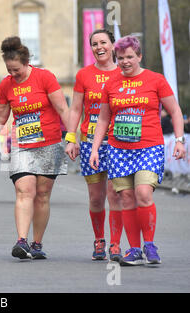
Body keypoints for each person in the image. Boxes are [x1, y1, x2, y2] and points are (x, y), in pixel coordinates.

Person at [89, 35, 186, 266]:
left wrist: (180, 140)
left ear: (139, 56)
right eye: (120, 58)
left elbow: (175, 111)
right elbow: (103, 119)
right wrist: (95, 149)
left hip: (149, 146)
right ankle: (133, 249)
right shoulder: (111, 84)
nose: (125, 62)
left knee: (143, 193)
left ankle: (149, 244)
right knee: (126, 198)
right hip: (118, 149)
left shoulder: (156, 80)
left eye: (130, 57)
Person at [0, 36, 70, 259]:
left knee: (42, 195)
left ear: (26, 62)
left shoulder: (45, 77)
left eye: (16, 70)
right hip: (22, 145)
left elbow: (63, 110)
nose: (13, 74)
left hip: (50, 144)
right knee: (25, 191)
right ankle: (21, 241)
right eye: (9, 70)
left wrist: (72, 137)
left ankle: (36, 243)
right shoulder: (6, 85)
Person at [65, 29, 123, 262]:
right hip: (90, 142)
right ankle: (100, 239)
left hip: (119, 141)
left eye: (103, 42)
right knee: (96, 197)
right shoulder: (84, 75)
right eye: (94, 43)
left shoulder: (124, 71)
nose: (99, 47)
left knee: (115, 195)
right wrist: (71, 138)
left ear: (112, 45)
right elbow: (76, 108)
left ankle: (116, 244)